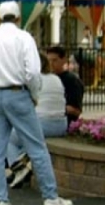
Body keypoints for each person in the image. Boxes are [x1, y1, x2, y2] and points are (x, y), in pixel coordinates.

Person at [0, 1, 73, 205]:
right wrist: (34, 95)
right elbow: (32, 73)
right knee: (36, 146)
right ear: (18, 17)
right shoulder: (24, 38)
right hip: (17, 93)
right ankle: (50, 198)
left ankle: (1, 201)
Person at [6, 53, 68, 188]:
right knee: (25, 140)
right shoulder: (56, 79)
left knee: (10, 139)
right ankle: (21, 166)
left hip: (42, 123)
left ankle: (18, 170)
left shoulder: (33, 81)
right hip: (61, 124)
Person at [46, 45, 85, 127]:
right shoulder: (45, 78)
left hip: (63, 122)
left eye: (54, 60)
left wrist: (53, 107)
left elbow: (76, 110)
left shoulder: (72, 81)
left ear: (63, 60)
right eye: (48, 60)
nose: (51, 64)